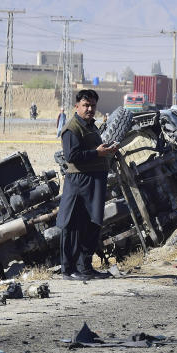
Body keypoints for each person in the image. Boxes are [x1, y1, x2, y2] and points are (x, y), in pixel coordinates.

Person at [57, 89, 119, 281]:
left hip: (94, 181)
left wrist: (106, 151)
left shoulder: (91, 126)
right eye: (86, 105)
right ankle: (68, 270)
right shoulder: (72, 128)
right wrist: (97, 153)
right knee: (72, 226)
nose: (90, 109)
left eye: (92, 105)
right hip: (79, 182)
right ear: (77, 106)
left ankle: (85, 268)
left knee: (92, 223)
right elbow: (72, 156)